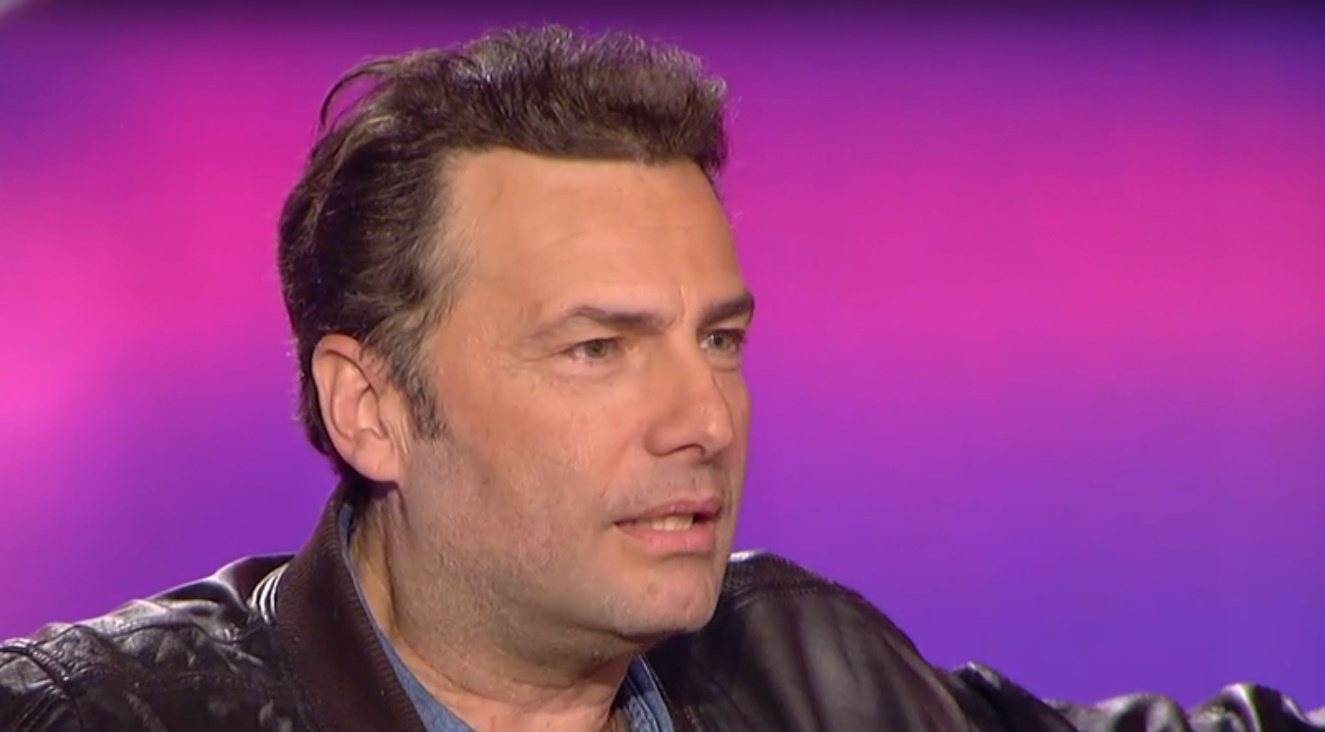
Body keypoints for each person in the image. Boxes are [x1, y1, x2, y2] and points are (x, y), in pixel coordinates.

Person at [0, 24, 1319, 732]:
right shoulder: (95, 716)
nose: (701, 422)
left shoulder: (797, 668)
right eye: (599, 348)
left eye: (719, 340)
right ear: (373, 409)